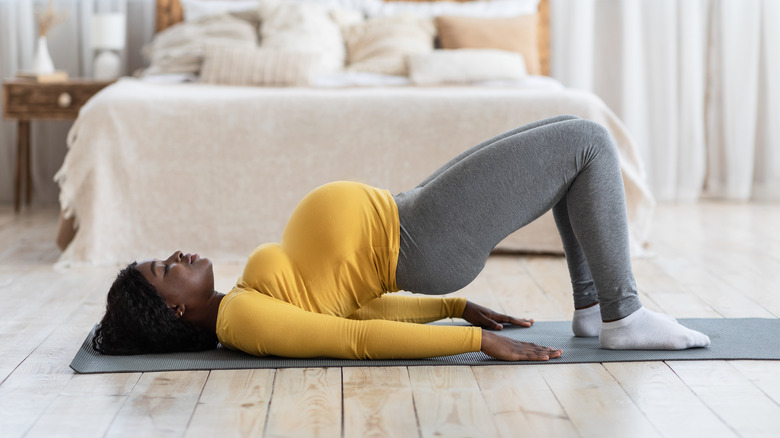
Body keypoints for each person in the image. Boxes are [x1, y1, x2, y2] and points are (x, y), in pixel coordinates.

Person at [93, 115, 710, 361]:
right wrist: (472, 343)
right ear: (174, 308)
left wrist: (452, 307)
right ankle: (622, 315)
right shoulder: (243, 321)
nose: (176, 257)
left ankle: (593, 308)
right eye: (163, 269)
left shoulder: (245, 297)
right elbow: (353, 337)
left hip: (412, 213)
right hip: (419, 235)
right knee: (590, 144)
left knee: (573, 141)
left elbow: (357, 303)